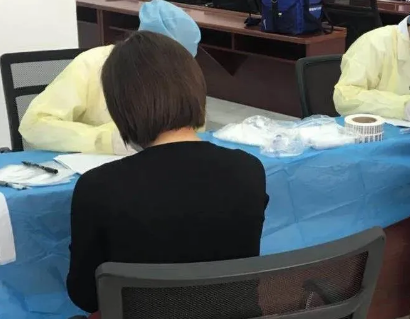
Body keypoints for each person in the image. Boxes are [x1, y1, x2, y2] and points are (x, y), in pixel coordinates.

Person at [66, 31, 268, 314]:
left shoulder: (98, 187)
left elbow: (86, 296)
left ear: (121, 108)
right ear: (194, 89)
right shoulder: (249, 170)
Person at [20, 0, 201, 154]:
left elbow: (194, 128)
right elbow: (35, 125)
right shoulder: (91, 65)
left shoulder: (181, 76)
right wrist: (106, 141)